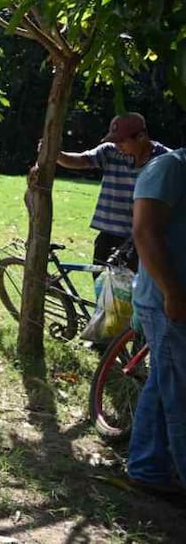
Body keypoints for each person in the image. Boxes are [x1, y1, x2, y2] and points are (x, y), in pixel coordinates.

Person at [125, 147, 186, 497]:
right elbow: (145, 231)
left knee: (164, 382)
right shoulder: (169, 168)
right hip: (169, 302)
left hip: (173, 300)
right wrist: (172, 292)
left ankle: (147, 467)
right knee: (180, 395)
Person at [53, 112, 167, 269]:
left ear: (141, 137)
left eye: (121, 141)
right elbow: (81, 160)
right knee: (103, 288)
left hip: (142, 239)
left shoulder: (165, 160)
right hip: (108, 236)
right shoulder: (110, 151)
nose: (117, 145)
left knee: (132, 290)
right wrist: (57, 155)